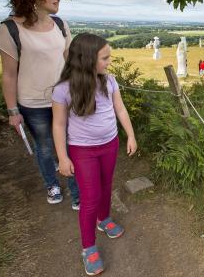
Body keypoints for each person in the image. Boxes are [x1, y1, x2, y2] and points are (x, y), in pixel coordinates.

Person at [51, 33, 137, 275]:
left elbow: (120, 109)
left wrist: (130, 134)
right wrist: (63, 157)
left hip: (110, 144)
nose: (109, 62)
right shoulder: (63, 90)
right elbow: (58, 125)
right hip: (82, 150)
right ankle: (88, 248)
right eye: (105, 58)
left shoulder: (108, 82)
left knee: (106, 185)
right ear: (87, 59)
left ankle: (104, 219)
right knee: (90, 197)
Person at [0, 0, 80, 209]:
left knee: (70, 144)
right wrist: (13, 111)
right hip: (33, 103)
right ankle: (52, 184)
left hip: (64, 99)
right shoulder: (10, 29)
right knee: (44, 147)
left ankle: (77, 193)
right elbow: (9, 74)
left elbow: (71, 62)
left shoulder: (60, 25)